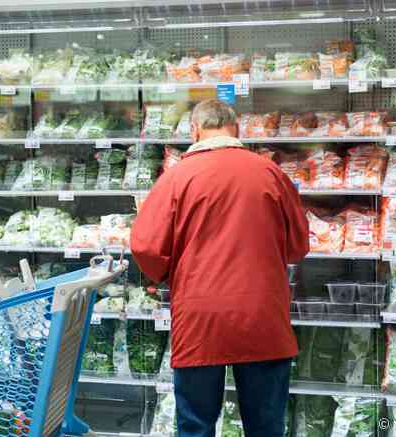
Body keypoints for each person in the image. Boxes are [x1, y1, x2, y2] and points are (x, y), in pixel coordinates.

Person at [130, 99, 309, 437]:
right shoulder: (269, 172)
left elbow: (145, 245)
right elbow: (298, 245)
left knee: (196, 425)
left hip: (199, 315)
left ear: (194, 131)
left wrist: (169, 274)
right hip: (261, 313)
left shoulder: (176, 177)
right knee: (266, 425)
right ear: (236, 129)